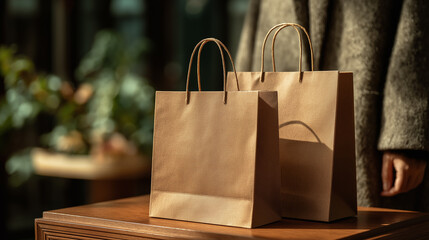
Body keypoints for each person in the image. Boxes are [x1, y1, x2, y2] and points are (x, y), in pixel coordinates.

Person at [235, 0, 429, 211]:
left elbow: (417, 22)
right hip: (270, 95)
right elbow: (255, 18)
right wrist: (239, 114)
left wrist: (406, 134)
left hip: (370, 114)